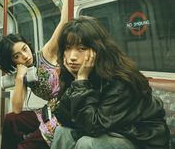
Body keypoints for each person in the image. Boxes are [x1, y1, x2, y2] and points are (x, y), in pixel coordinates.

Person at [50, 16, 170, 149]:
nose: (72, 56)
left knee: (88, 143)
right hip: (112, 133)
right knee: (63, 133)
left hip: (139, 141)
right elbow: (64, 118)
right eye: (67, 48)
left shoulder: (121, 81)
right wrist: (76, 81)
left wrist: (81, 82)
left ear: (97, 49)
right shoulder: (83, 75)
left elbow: (95, 127)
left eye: (81, 48)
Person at [0, 0, 70, 149]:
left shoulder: (45, 53)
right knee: (11, 120)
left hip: (65, 112)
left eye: (24, 48)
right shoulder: (23, 72)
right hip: (49, 111)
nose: (25, 55)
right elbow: (16, 109)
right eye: (17, 56)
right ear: (13, 61)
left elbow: (64, 21)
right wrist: (20, 78)